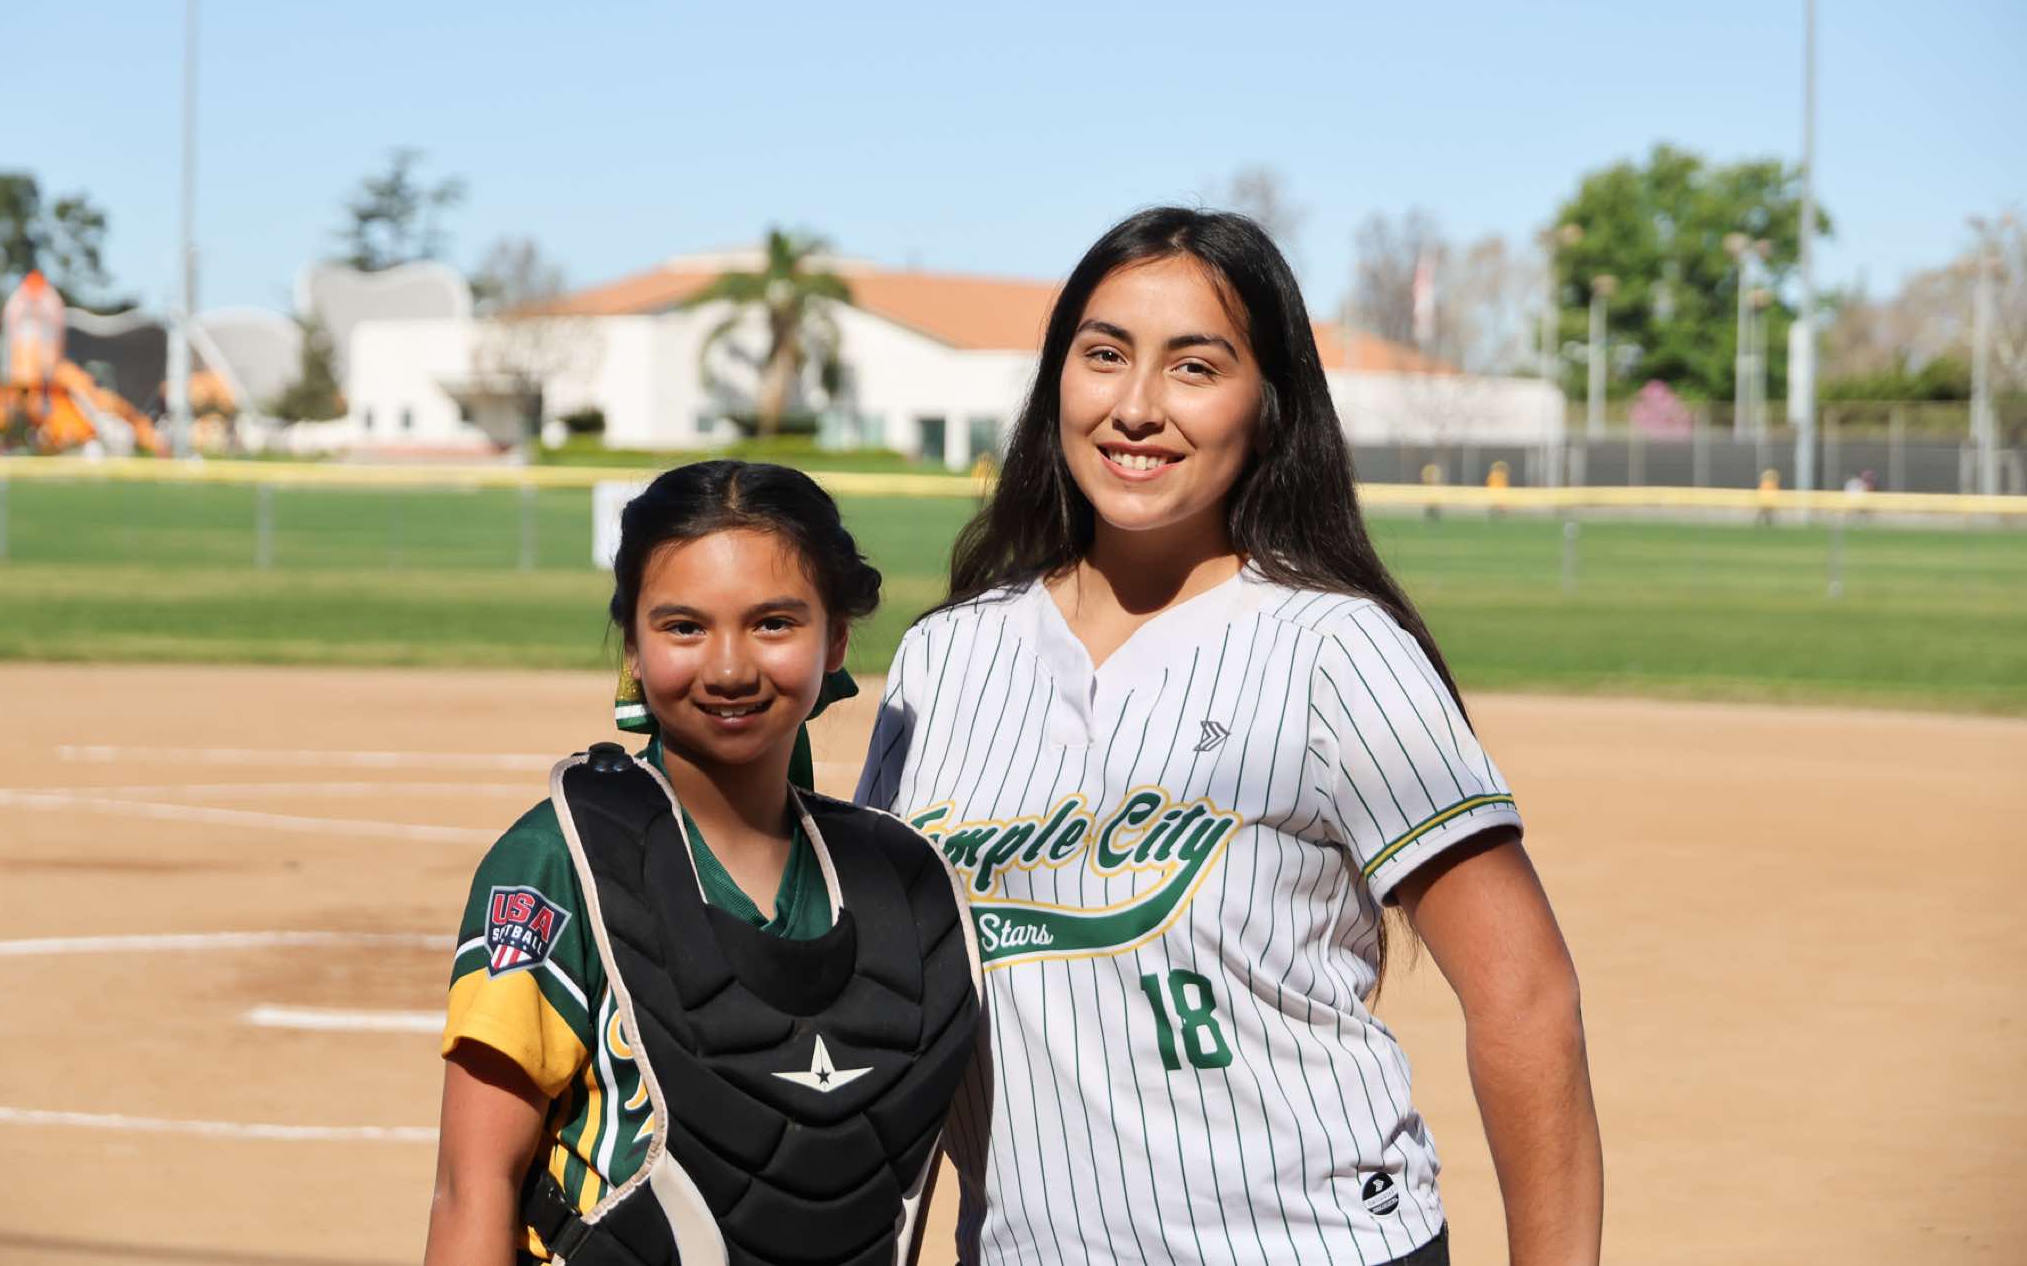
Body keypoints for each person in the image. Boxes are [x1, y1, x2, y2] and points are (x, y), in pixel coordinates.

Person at [858, 208, 1601, 1266]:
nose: (1135, 406)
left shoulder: (1335, 650)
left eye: (1194, 367)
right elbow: (901, 1016)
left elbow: (1524, 996)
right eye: (1103, 355)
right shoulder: (945, 659)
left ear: (1269, 406)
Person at [426, 460, 983, 1266]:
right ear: (633, 646)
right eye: (684, 627)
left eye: (773, 623)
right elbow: (471, 1188)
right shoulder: (559, 862)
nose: (728, 668)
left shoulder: (904, 887)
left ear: (836, 640)